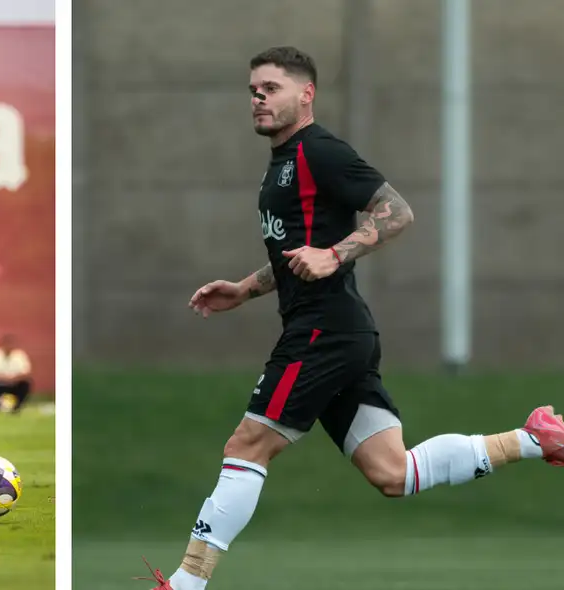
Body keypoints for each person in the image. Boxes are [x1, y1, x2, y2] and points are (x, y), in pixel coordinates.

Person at [137, 46, 564, 589]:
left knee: (246, 446)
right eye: (253, 91)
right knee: (394, 473)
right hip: (342, 331)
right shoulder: (282, 165)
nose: (258, 99)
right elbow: (298, 251)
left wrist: (337, 254)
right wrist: (246, 289)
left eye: (271, 88)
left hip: (323, 330)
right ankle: (534, 438)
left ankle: (186, 582)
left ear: (306, 93)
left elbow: (396, 211)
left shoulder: (320, 151)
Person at [0, 334, 32, 413]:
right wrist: (3, 378)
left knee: (26, 383)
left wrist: (14, 378)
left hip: (15, 382)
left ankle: (17, 407)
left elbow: (26, 372)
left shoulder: (19, 355)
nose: (8, 347)